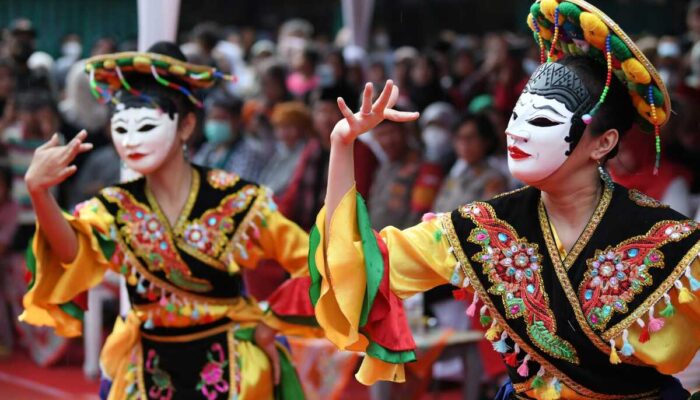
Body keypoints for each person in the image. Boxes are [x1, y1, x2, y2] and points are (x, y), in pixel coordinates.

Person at [309, 1, 699, 399]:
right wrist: (343, 146)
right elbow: (359, 268)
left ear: (604, 142)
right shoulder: (484, 227)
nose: (518, 132)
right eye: (517, 115)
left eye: (542, 120)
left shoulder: (672, 241)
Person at [20, 42, 319, 400]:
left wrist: (271, 321)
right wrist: (40, 193)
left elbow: (315, 263)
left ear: (186, 126)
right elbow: (70, 252)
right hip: (146, 366)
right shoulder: (115, 206)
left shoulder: (236, 200)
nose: (131, 141)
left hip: (232, 365)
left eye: (145, 126)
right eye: (121, 128)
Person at [192, 89, 266, 182]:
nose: (215, 123)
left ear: (237, 120)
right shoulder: (209, 148)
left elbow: (240, 186)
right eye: (211, 118)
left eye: (221, 118)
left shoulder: (249, 152)